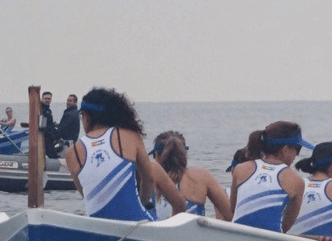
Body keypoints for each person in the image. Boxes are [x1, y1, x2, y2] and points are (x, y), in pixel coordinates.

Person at [63, 88, 185, 222]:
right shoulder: (129, 135)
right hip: (137, 224)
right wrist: (144, 203)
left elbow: (84, 193)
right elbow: (149, 179)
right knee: (173, 207)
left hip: (97, 228)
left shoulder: (72, 152)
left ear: (86, 116)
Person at [230, 121, 312, 232]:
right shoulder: (296, 180)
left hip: (236, 235)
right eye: (297, 149)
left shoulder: (240, 169)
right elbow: (285, 227)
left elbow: (233, 209)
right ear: (285, 150)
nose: (297, 155)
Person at [151, 131, 233, 219]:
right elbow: (230, 216)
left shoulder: (147, 178)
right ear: (184, 153)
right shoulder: (201, 176)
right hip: (192, 232)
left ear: (157, 156)